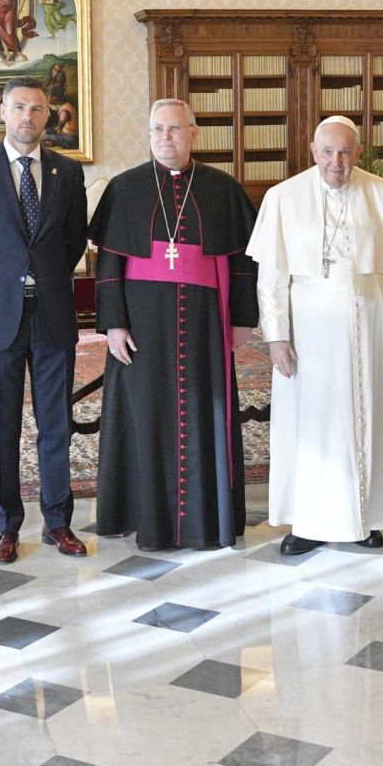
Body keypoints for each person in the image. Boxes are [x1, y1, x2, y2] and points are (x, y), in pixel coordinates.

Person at [247, 116, 383, 554]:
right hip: (309, 334)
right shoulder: (283, 197)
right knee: (312, 425)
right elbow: (271, 279)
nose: (336, 162)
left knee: (372, 417)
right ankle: (309, 523)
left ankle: (367, 517)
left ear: (358, 153)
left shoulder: (382, 194)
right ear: (313, 151)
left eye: (345, 152)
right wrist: (276, 336)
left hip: (373, 330)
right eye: (327, 152)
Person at [89, 99, 259, 551]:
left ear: (193, 134)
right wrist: (113, 323)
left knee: (204, 409)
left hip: (204, 324)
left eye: (175, 128)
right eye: (158, 129)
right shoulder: (125, 188)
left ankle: (206, 519)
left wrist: (243, 318)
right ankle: (141, 514)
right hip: (141, 323)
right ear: (149, 135)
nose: (166, 137)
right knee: (142, 413)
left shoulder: (222, 188)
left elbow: (243, 260)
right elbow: (109, 263)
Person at [0, 77, 90, 564]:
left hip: (53, 313)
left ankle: (58, 522)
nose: (28, 116)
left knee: (56, 423)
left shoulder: (68, 172)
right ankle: (7, 525)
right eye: (20, 107)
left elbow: (74, 240)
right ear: (3, 112)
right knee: (2, 424)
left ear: (48, 115)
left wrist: (46, 277)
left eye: (38, 108)